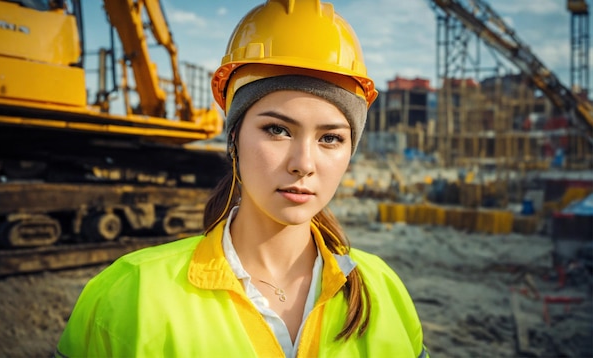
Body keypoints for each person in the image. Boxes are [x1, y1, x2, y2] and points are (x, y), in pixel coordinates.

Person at [56, 0, 428, 357]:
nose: (303, 163)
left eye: (330, 138)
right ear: (233, 137)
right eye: (278, 130)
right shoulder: (128, 295)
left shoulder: (385, 292)